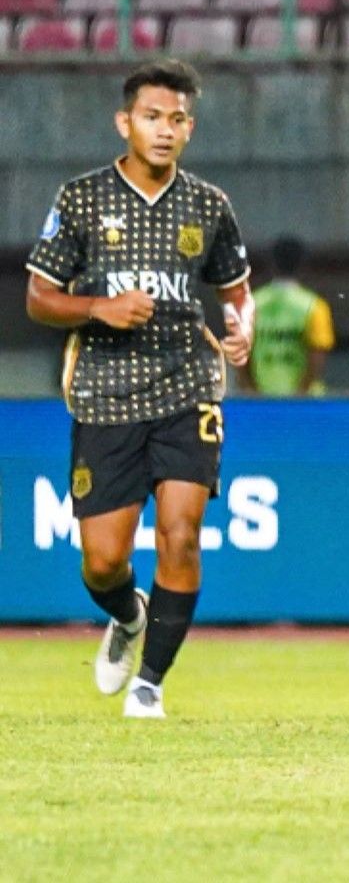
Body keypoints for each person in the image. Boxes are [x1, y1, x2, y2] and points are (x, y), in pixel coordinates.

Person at [24, 59, 254, 720]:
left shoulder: (209, 205)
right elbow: (39, 297)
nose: (164, 129)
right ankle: (128, 616)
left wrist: (241, 331)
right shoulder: (81, 200)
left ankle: (150, 683)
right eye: (152, 117)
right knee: (102, 563)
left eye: (177, 119)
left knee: (181, 535)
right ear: (125, 122)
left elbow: (235, 289)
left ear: (190, 128)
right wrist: (99, 308)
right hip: (105, 394)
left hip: (188, 387)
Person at [247, 236, 334, 396]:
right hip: (305, 403)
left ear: (271, 264)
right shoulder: (314, 306)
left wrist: (252, 392)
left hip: (261, 402)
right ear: (302, 266)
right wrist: (299, 395)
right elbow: (317, 357)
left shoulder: (251, 303)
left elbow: (241, 356)